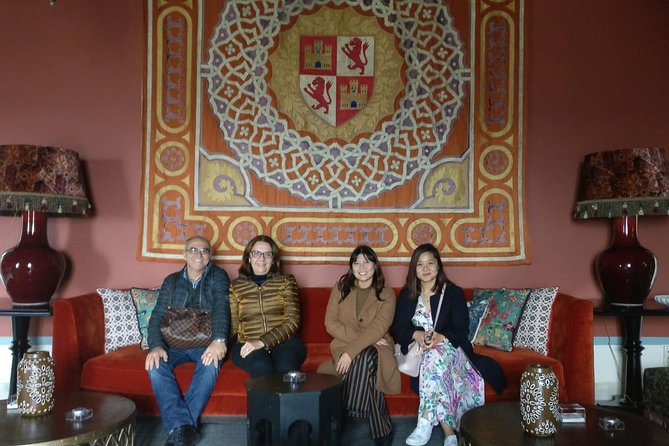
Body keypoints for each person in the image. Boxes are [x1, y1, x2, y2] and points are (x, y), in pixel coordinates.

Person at [391, 243, 506, 446]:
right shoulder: (408, 295)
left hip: (451, 349)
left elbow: (461, 329)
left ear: (438, 266)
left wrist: (439, 337)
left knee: (434, 356)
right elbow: (398, 329)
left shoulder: (453, 293)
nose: (425, 269)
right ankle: (450, 434)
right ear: (414, 269)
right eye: (420, 265)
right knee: (432, 359)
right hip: (419, 351)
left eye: (430, 263)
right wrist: (416, 334)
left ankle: (424, 421)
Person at [145, 235, 231, 446]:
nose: (198, 254)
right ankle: (185, 428)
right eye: (193, 249)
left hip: (206, 342)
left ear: (210, 256)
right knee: (155, 366)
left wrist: (219, 339)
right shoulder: (171, 281)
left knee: (210, 365)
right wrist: (155, 346)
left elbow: (222, 308)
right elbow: (157, 315)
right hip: (172, 344)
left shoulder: (218, 276)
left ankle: (178, 431)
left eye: (203, 250)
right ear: (184, 254)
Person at [318, 245, 400, 446]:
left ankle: (344, 416)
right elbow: (330, 323)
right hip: (343, 344)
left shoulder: (387, 294)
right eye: (357, 262)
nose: (362, 267)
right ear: (351, 266)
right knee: (364, 360)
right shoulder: (341, 287)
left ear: (375, 265)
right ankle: (382, 428)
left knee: (366, 356)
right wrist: (355, 345)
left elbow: (379, 328)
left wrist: (350, 353)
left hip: (378, 347)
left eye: (367, 262)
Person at [229, 235, 306, 377]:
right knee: (261, 367)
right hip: (247, 342)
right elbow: (234, 326)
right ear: (248, 258)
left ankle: (290, 400)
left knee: (286, 367)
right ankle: (261, 400)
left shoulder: (287, 281)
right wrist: (219, 344)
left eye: (267, 254)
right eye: (256, 253)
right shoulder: (235, 286)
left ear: (274, 260)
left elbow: (293, 321)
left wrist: (262, 342)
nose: (261, 259)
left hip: (285, 341)